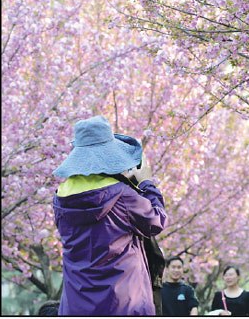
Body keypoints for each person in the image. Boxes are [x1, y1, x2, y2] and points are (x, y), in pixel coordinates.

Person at [52, 115, 167, 315]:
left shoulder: (60, 198)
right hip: (124, 303)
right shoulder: (122, 196)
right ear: (109, 155)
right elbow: (156, 221)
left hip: (76, 304)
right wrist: (147, 183)